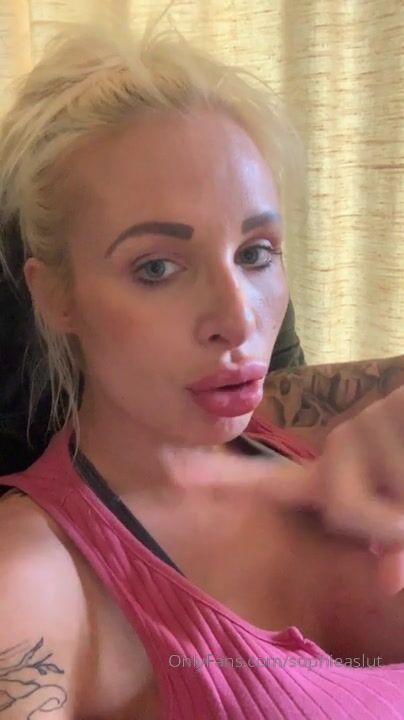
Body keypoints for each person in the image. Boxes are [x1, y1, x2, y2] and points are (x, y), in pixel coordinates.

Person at [0, 20, 403, 720]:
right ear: (56, 294)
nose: (239, 320)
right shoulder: (35, 576)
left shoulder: (317, 441)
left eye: (255, 253)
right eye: (157, 267)